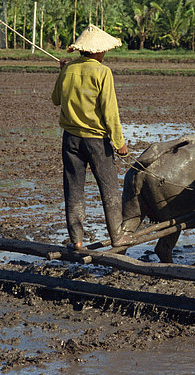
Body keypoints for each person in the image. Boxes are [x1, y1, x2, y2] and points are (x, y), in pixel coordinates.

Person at [52, 24, 130, 250]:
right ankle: (117, 237)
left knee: (74, 189)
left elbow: (56, 99)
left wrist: (63, 72)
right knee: (110, 189)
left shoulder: (69, 70)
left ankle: (76, 241)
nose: (105, 54)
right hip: (96, 140)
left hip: (70, 140)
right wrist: (119, 143)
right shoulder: (102, 72)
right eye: (103, 50)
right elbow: (109, 111)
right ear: (96, 51)